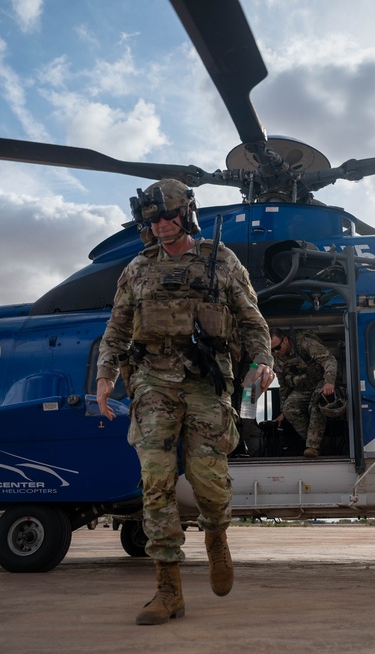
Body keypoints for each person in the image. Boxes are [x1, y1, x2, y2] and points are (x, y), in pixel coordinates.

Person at [95, 179, 274, 625]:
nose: (161, 225)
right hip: (153, 380)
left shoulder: (223, 262)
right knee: (154, 479)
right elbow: (116, 328)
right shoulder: (136, 268)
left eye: (168, 215)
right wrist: (105, 375)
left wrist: (262, 361)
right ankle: (167, 588)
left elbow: (253, 321)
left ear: (187, 213)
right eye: (152, 218)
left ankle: (216, 536)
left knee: (207, 479)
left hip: (205, 381)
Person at [269, 327, 339, 458]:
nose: (276, 352)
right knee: (289, 408)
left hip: (320, 382)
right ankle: (321, 443)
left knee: (316, 402)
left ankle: (313, 447)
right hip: (303, 388)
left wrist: (329, 381)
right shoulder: (277, 360)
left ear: (285, 340)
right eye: (272, 350)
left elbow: (329, 360)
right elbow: (283, 385)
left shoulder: (305, 344)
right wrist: (283, 411)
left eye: (277, 347)